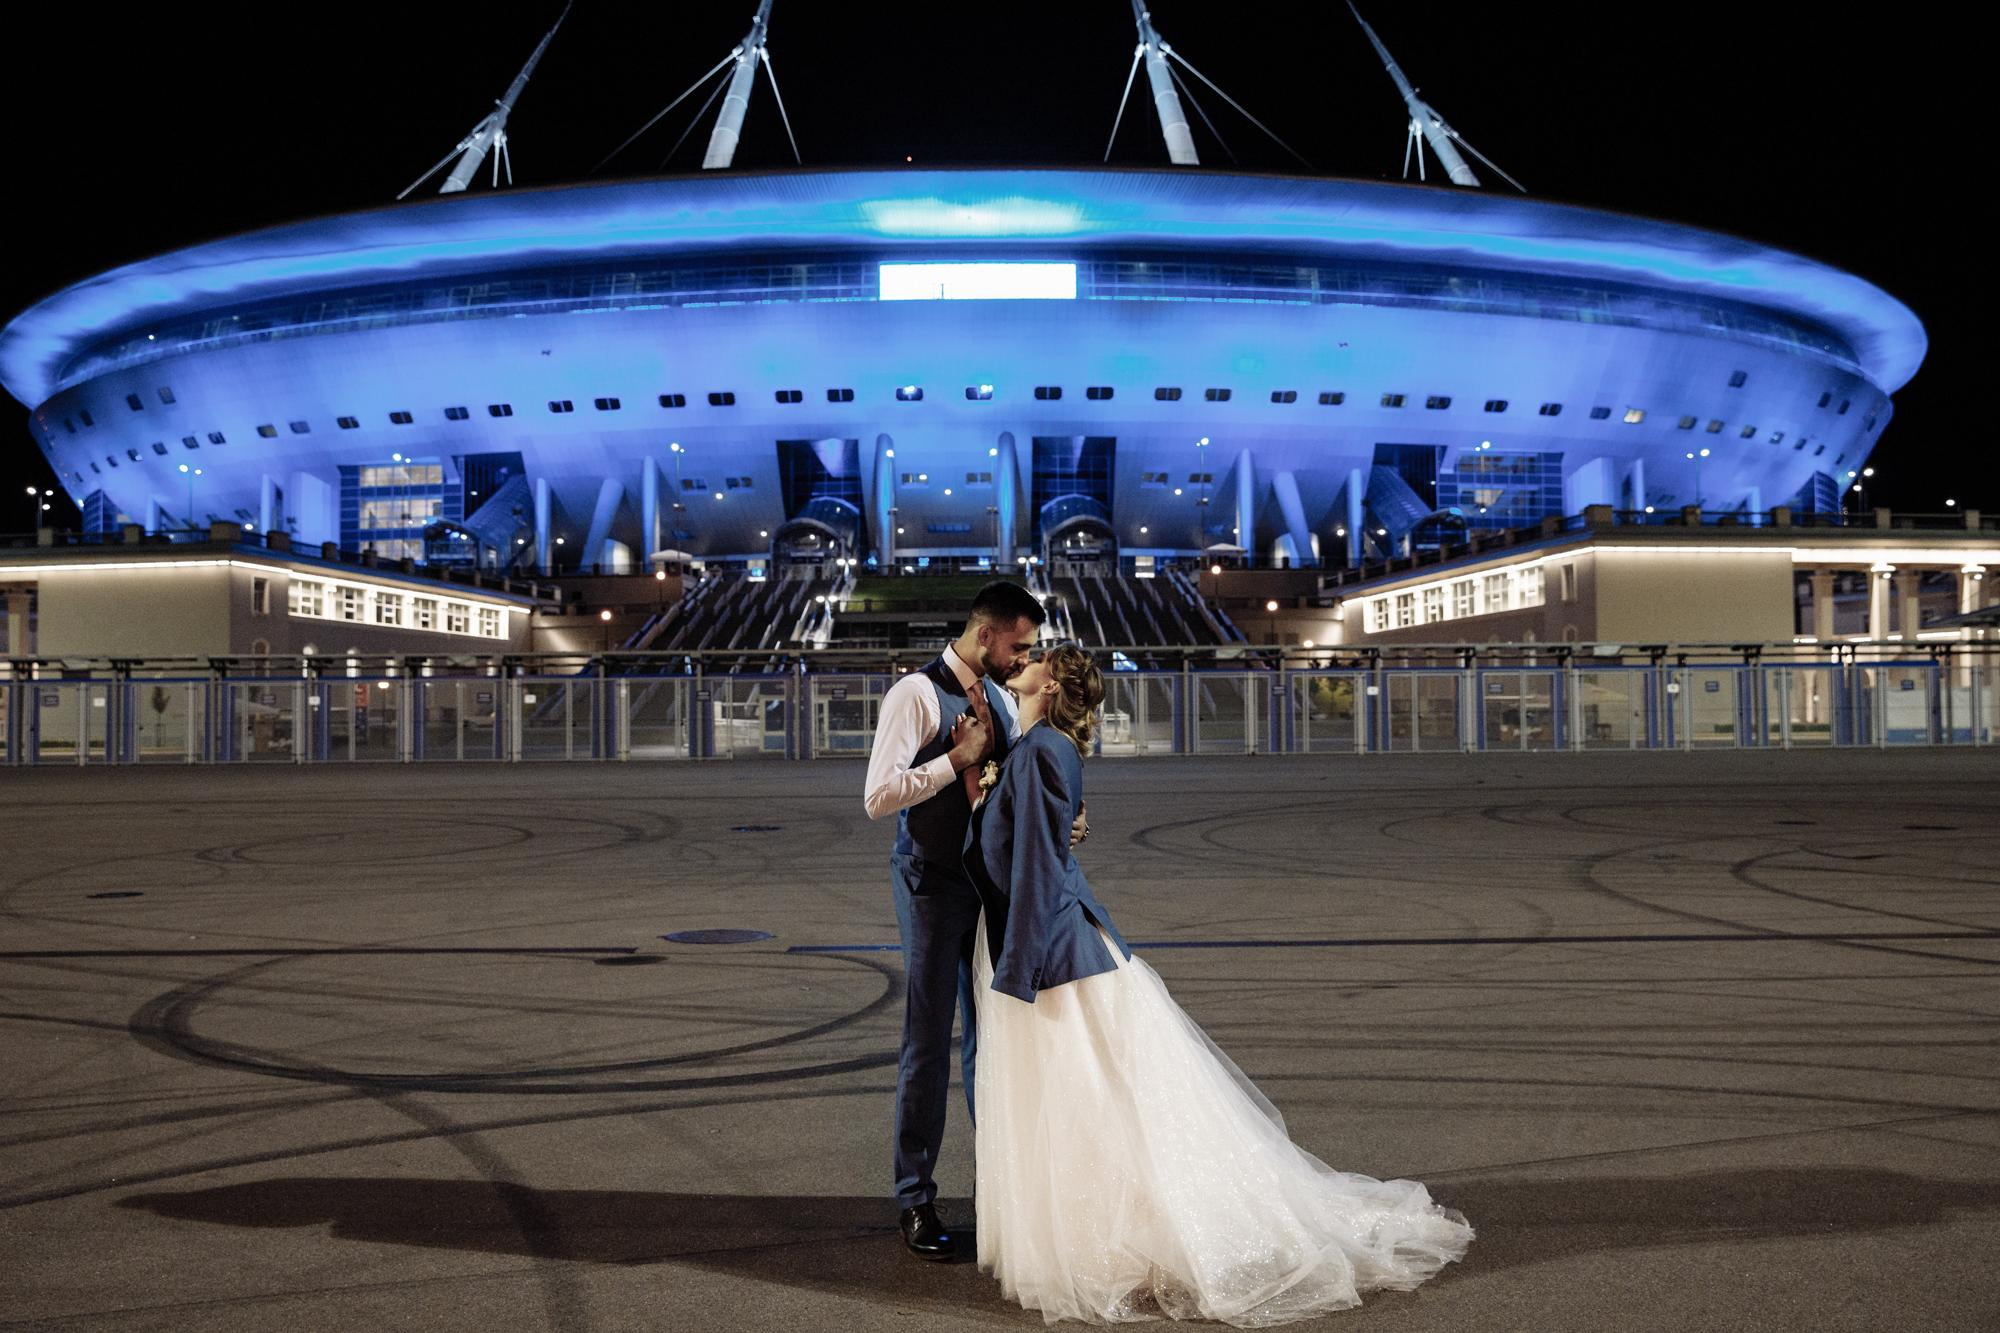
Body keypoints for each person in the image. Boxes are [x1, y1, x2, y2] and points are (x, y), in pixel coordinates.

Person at [964, 645, 1473, 1325]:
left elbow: (1037, 866)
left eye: (1035, 658)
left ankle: (1114, 1241)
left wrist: (1019, 966)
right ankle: (1104, 1233)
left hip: (1052, 946)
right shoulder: (1032, 747)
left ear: (1049, 684)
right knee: (1088, 1101)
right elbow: (1037, 838)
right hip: (1046, 939)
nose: (1022, 663)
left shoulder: (1041, 751)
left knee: (1083, 1101)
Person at [863, 579, 1065, 1261]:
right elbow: (878, 796)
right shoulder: (915, 695)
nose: (1024, 657)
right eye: (1019, 646)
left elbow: (1008, 788)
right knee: (926, 1038)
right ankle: (915, 1197)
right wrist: (955, 759)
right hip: (929, 881)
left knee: (989, 1040)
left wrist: (1061, 817)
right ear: (986, 634)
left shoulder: (1002, 700)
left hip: (985, 886)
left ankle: (997, 1192)